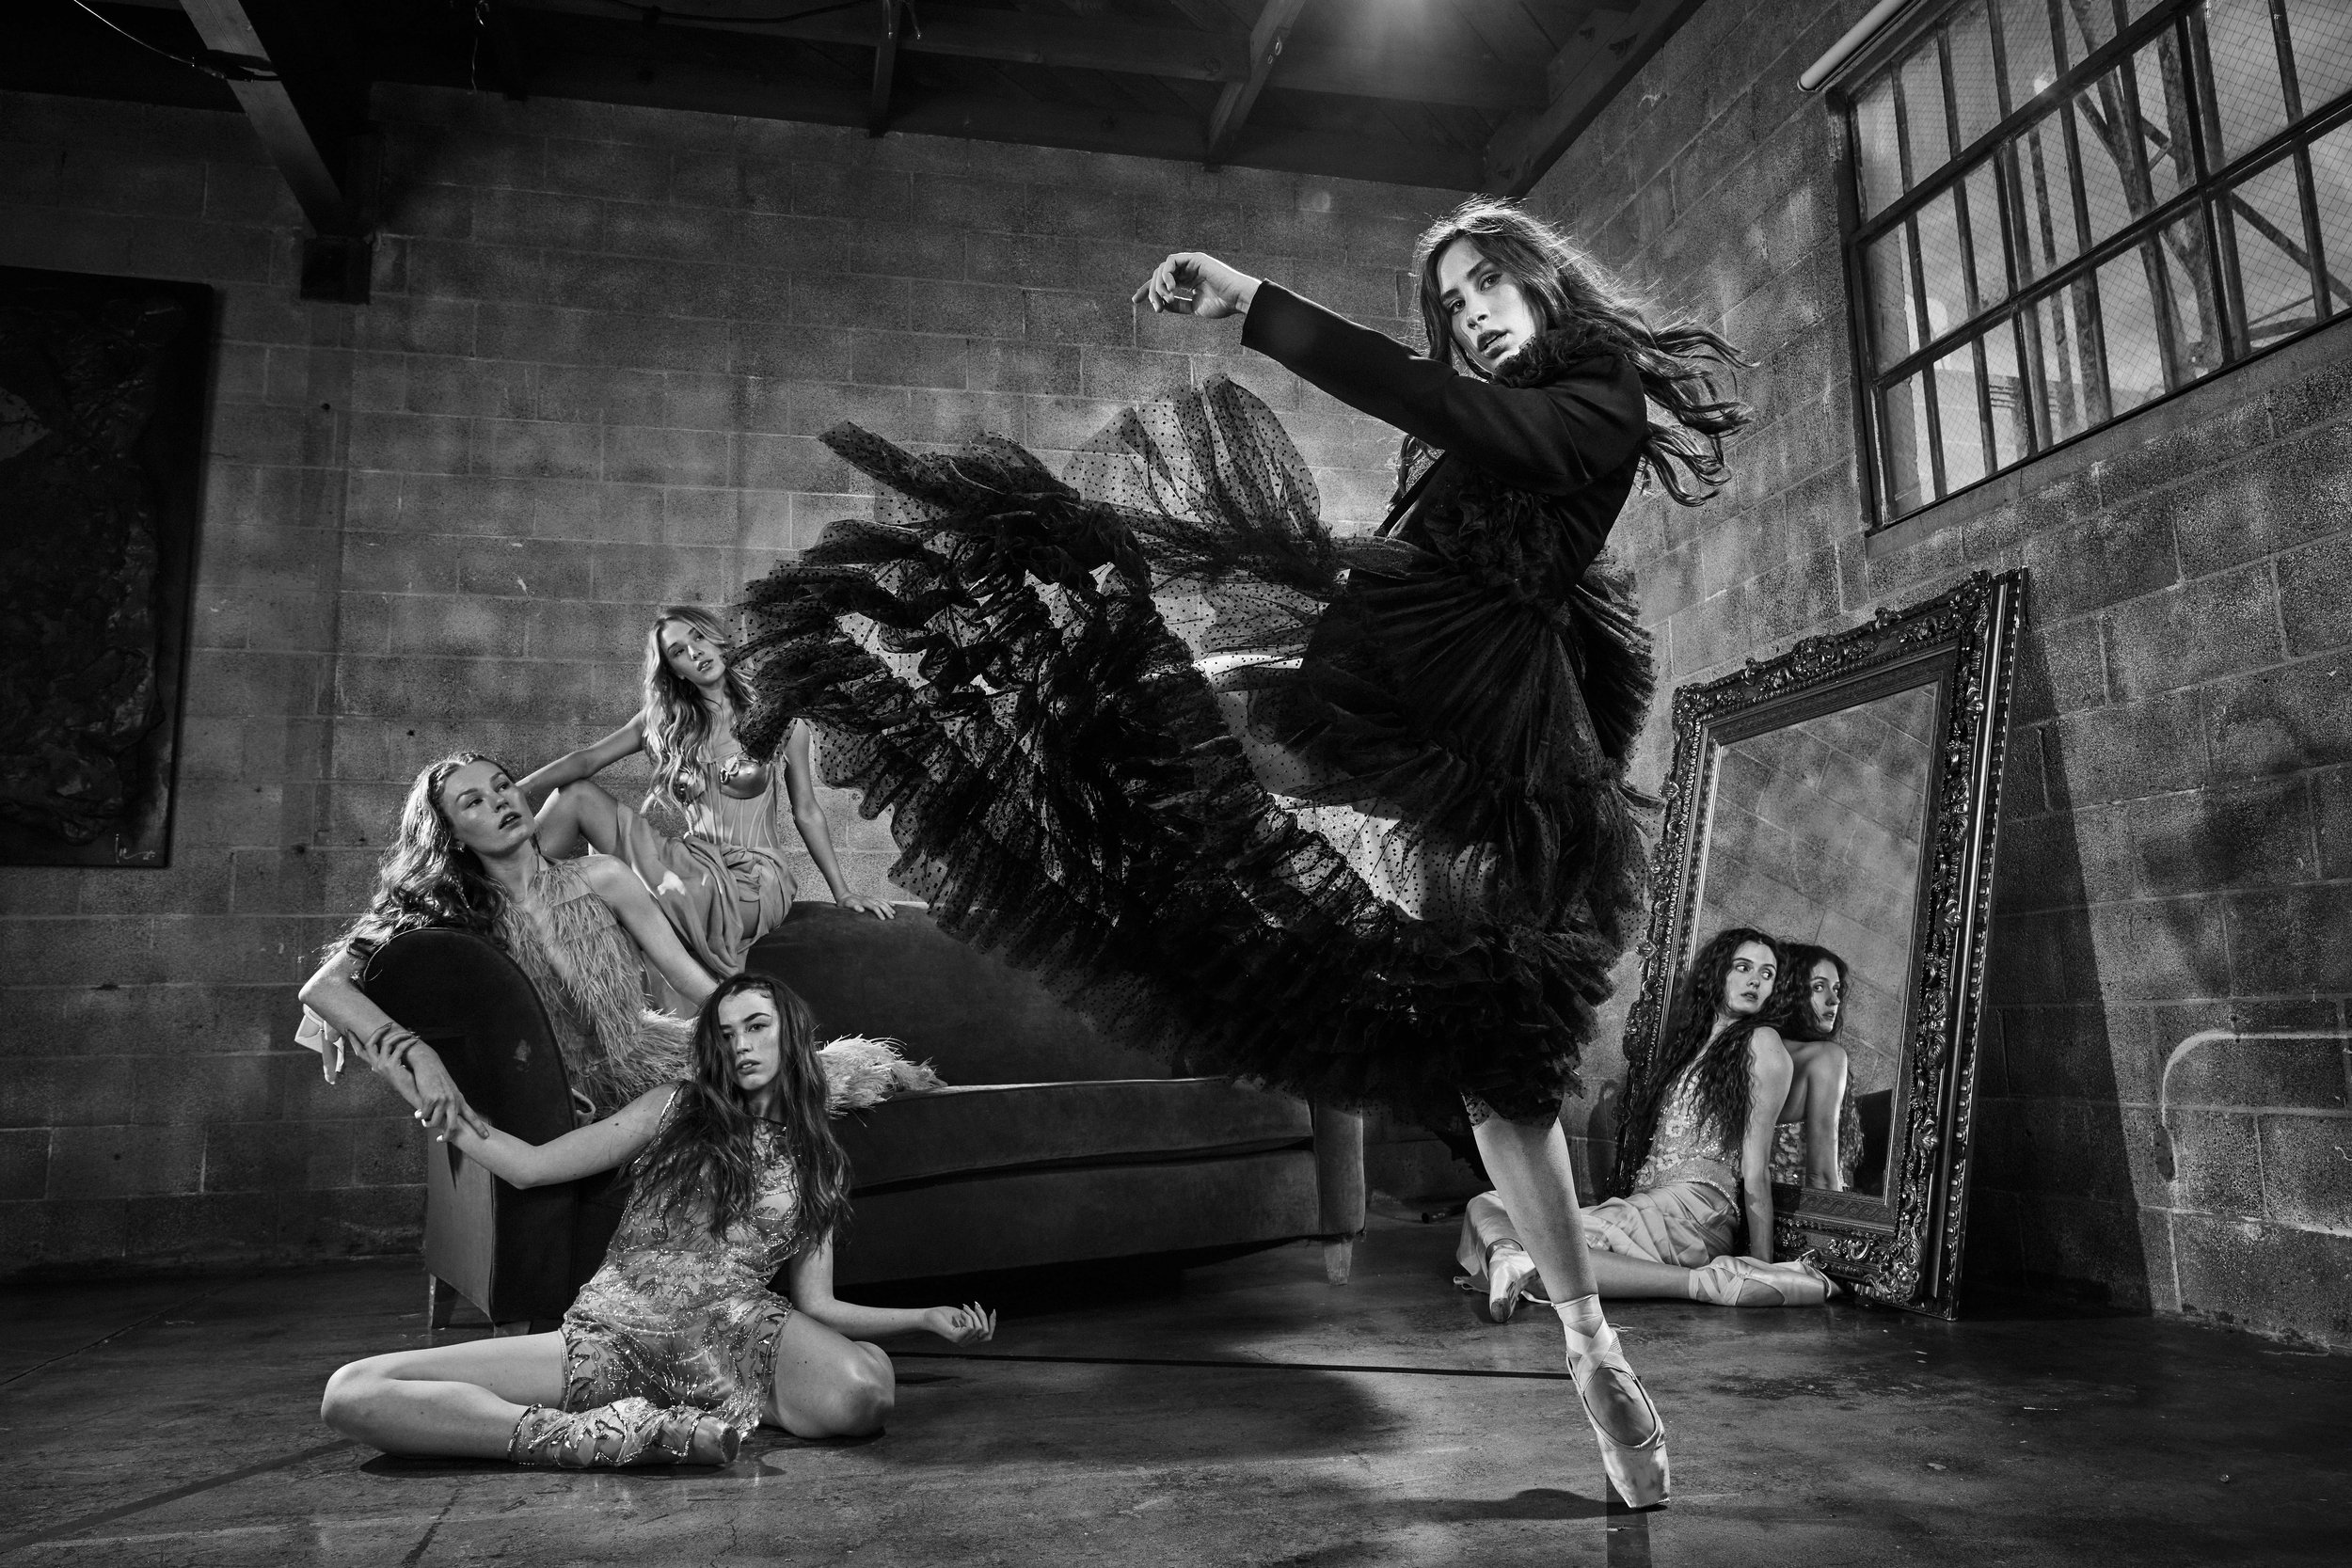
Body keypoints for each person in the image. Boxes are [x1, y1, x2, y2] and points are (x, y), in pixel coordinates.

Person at [733, 197, 1755, 1508]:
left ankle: (1590, 1342)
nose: (1474, 313)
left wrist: (1254, 303)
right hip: (1359, 697)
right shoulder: (1472, 429)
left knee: (1507, 1068)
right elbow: (1431, 496)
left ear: (1547, 282)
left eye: (1492, 282)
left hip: (1481, 747)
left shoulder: (1592, 389)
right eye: (1452, 302)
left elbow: (1459, 418)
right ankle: (954, 693)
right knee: (1136, 707)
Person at [319, 974, 994, 1467]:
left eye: (757, 1025)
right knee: (352, 1392)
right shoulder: (675, 1107)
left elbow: (816, 1301)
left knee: (866, 1393)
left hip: (733, 1335)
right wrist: (419, 1077)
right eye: (726, 1034)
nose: (742, 1046)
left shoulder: (820, 1161)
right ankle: (593, 1438)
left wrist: (923, 1318)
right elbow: (526, 1165)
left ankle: (711, 1411)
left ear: (792, 1031)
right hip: (608, 1338)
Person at [296, 752, 722, 1130]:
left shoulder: (604, 876)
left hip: (655, 1064)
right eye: (474, 801)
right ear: (453, 835)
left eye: (502, 786)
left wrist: (760, 1017)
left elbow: (686, 976)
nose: (500, 800)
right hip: (551, 1100)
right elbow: (323, 988)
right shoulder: (449, 915)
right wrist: (418, 1055)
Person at [1455, 928, 1839, 1326]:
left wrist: (1759, 1265)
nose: (1755, 980)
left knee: (1555, 1249)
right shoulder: (1692, 1046)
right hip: (1650, 1205)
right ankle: (1512, 1258)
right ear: (1718, 973)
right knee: (1487, 1204)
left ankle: (1701, 1282)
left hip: (1696, 1213)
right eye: (1743, 967)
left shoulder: (1763, 1044)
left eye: (1767, 974)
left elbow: (1754, 1169)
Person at [520, 606, 893, 1008]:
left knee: (646, 891)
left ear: (717, 639)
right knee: (574, 795)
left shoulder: (778, 717)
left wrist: (843, 892)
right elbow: (586, 760)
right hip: (689, 861)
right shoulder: (665, 721)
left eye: (698, 637)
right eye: (679, 651)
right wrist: (515, 791)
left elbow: (807, 810)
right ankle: (508, 908)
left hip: (754, 876)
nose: (694, 652)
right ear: (676, 670)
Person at [1767, 942, 1862, 1191]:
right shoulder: (1826, 1057)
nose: (1835, 1000)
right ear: (1790, 991)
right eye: (1818, 987)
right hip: (1803, 1218)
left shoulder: (1758, 1049)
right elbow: (1822, 1177)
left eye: (1837, 988)